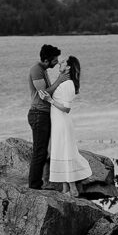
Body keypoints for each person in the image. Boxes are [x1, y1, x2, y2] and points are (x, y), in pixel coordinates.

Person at [47, 56, 91, 197]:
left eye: (64, 62)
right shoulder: (64, 82)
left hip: (62, 123)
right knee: (59, 152)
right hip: (57, 122)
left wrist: (49, 100)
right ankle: (65, 189)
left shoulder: (68, 84)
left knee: (65, 152)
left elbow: (66, 108)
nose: (60, 62)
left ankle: (73, 189)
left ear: (69, 67)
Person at [28, 44, 69, 190]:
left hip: (44, 114)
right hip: (39, 114)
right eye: (55, 60)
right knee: (40, 151)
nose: (57, 62)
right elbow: (44, 94)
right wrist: (60, 79)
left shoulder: (42, 70)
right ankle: (34, 185)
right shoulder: (36, 70)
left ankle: (45, 182)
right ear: (46, 60)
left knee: (44, 151)